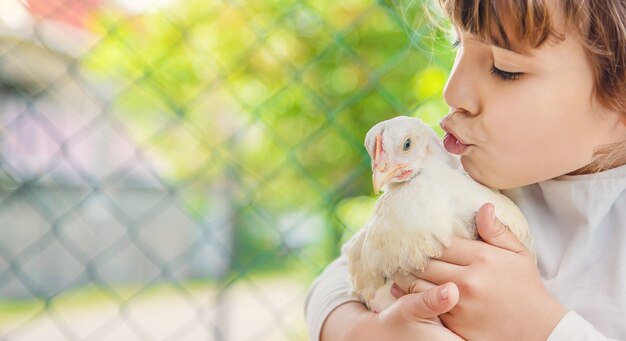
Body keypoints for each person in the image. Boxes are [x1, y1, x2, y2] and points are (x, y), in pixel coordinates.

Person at [305, 0, 626, 340]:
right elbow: (333, 286)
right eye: (458, 44)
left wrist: (536, 326)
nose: (452, 91)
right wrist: (367, 332)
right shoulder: (454, 175)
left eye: (505, 69)